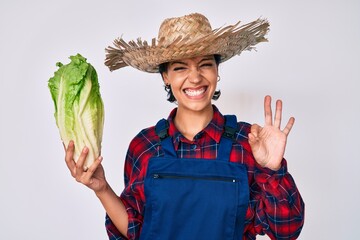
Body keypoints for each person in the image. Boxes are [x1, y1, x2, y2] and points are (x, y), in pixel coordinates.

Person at [65, 13, 305, 239]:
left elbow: (286, 231)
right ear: (165, 76)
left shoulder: (248, 142)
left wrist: (273, 170)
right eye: (180, 67)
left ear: (217, 69)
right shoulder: (145, 146)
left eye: (205, 64)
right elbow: (136, 231)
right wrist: (102, 189)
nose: (195, 77)